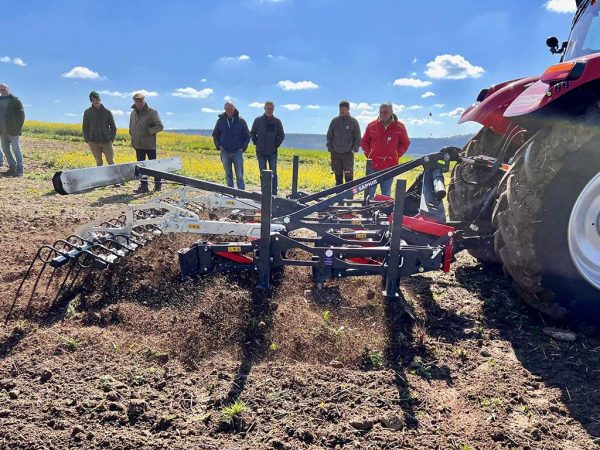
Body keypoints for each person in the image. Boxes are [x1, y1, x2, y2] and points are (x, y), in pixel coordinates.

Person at [361, 102, 410, 197]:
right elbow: (364, 142)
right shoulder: (371, 125)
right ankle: (367, 211)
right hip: (373, 165)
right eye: (381, 112)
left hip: (389, 166)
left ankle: (384, 211)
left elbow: (405, 143)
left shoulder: (400, 126)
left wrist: (396, 154)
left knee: (386, 194)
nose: (383, 114)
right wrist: (369, 154)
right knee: (369, 193)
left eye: (386, 112)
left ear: (391, 112)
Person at [129, 92, 164, 193]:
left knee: (154, 166)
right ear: (134, 101)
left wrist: (148, 131)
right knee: (140, 167)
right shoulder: (133, 113)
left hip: (149, 145)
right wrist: (133, 137)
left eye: (140, 100)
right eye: (136, 101)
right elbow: (131, 127)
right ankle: (144, 186)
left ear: (144, 100)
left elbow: (160, 126)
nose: (138, 102)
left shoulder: (152, 112)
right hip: (138, 145)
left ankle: (158, 185)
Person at [212, 101, 250, 190]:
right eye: (227, 109)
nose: (230, 111)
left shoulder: (241, 120)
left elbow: (247, 136)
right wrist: (218, 146)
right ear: (225, 109)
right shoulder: (220, 121)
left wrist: (242, 148)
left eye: (231, 108)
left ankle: (241, 196)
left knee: (240, 176)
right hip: (225, 152)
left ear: (234, 108)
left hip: (237, 152)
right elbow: (215, 134)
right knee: (228, 175)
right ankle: (231, 196)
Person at [250, 101, 285, 195]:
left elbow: (281, 135)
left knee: (273, 172)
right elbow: (252, 132)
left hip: (272, 151)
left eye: (271, 109)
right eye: (268, 108)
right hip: (260, 151)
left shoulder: (277, 121)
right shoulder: (258, 120)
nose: (270, 110)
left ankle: (274, 193)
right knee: (263, 172)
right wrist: (256, 141)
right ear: (264, 108)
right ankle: (265, 192)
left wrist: (276, 144)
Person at [326, 100, 361, 186]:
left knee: (349, 177)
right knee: (338, 177)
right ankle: (339, 197)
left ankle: (349, 196)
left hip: (348, 154)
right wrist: (330, 148)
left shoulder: (353, 121)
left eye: (344, 109)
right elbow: (329, 135)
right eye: (340, 109)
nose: (341, 111)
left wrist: (354, 149)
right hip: (335, 153)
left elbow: (358, 137)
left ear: (348, 109)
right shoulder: (334, 121)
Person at [82, 91, 117, 166]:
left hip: (106, 141)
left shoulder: (107, 112)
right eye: (93, 100)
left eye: (96, 99)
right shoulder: (87, 112)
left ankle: (114, 176)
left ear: (100, 99)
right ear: (91, 101)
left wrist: (111, 139)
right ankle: (101, 177)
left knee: (110, 161)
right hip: (93, 141)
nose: (95, 102)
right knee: (98, 162)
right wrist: (87, 139)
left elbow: (113, 127)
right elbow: (85, 127)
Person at [0, 83, 25, 177]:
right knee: (6, 149)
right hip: (2, 131)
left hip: (13, 131)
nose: (3, 91)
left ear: (8, 88)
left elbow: (21, 116)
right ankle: (12, 168)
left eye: (4, 89)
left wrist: (18, 129)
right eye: (1, 90)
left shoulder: (15, 100)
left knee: (16, 149)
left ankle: (20, 170)